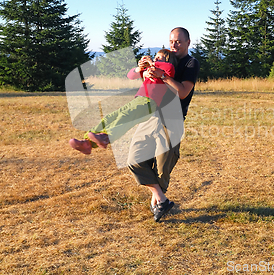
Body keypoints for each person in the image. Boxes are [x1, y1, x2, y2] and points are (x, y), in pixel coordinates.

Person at [127, 27, 200, 222]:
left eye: (178, 41)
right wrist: (141, 67)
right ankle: (162, 200)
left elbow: (183, 92)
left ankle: (158, 199)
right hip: (150, 117)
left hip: (172, 120)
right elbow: (137, 78)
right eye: (171, 42)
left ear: (188, 42)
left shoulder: (191, 63)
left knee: (162, 168)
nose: (174, 45)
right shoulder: (164, 59)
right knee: (134, 159)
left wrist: (163, 76)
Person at [68, 49, 177, 155]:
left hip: (149, 103)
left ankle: (106, 137)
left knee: (124, 117)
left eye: (159, 58)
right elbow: (131, 75)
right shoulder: (150, 69)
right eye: (155, 57)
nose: (155, 59)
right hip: (138, 99)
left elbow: (169, 67)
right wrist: (140, 68)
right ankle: (87, 143)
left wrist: (152, 63)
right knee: (111, 116)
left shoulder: (166, 70)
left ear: (167, 60)